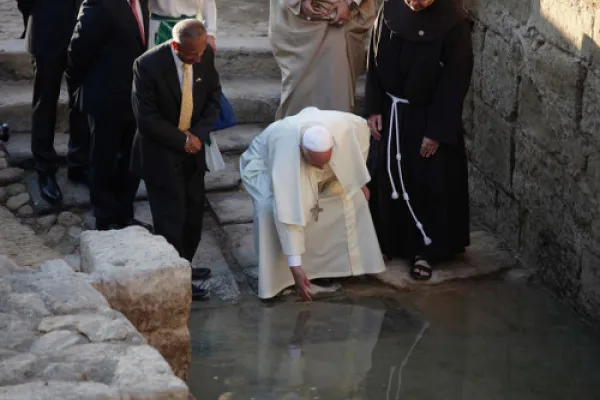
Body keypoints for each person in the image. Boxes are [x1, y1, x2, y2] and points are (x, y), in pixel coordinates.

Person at [364, 0, 473, 280]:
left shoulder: (454, 24)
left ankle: (425, 250)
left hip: (427, 117)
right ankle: (388, 241)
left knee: (427, 182)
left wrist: (437, 131)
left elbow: (455, 81)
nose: (414, 2)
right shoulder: (390, 9)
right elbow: (374, 58)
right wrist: (373, 108)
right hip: (391, 111)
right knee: (387, 178)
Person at [240, 107, 386, 301]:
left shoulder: (350, 126)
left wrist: (357, 180)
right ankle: (281, 278)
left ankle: (342, 266)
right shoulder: (286, 156)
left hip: (312, 158)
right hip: (263, 167)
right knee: (270, 207)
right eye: (317, 164)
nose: (321, 168)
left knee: (352, 197)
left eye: (324, 162)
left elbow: (358, 148)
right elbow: (288, 214)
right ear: (302, 150)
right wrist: (295, 267)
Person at [131, 19, 221, 301]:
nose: (198, 59)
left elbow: (214, 98)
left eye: (201, 53)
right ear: (175, 46)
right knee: (170, 220)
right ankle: (176, 281)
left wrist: (198, 135)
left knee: (193, 216)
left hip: (193, 150)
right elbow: (147, 119)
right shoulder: (147, 65)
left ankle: (185, 265)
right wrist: (183, 140)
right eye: (192, 55)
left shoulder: (204, 54)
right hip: (161, 151)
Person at [68, 0, 151, 231]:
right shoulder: (99, 3)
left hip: (134, 96)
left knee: (131, 159)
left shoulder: (141, 2)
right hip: (104, 96)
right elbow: (78, 51)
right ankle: (104, 218)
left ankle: (124, 214)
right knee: (103, 159)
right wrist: (88, 85)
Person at [20, 0, 89, 204]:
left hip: (86, 29)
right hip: (47, 26)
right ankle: (44, 167)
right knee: (46, 101)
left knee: (82, 99)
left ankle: (79, 163)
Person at [269, 0, 376, 120]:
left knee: (335, 94)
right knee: (300, 96)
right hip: (300, 21)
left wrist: (348, 3)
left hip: (341, 16)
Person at [147, 0, 217, 51]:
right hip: (158, 26)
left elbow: (208, 2)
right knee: (155, 63)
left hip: (191, 27)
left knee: (191, 63)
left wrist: (210, 33)